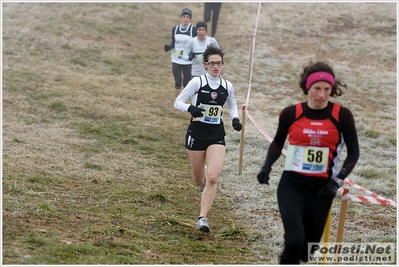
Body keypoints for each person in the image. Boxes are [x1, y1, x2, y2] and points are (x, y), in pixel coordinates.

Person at [256, 61, 360, 264]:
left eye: (327, 89)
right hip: (292, 185)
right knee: (295, 240)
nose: (322, 95)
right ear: (307, 88)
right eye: (317, 89)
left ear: (332, 89)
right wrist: (266, 166)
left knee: (306, 251)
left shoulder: (343, 116)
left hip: (323, 189)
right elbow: (278, 143)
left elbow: (354, 153)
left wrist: (338, 180)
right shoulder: (291, 113)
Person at [174, 45, 242, 232]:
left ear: (222, 64)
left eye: (219, 63)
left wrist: (235, 119)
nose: (216, 67)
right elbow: (177, 102)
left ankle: (202, 218)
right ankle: (203, 178)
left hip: (216, 134)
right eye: (212, 63)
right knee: (199, 180)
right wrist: (190, 108)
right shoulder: (197, 82)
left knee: (212, 178)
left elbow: (232, 104)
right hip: (197, 133)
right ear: (205, 65)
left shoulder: (227, 86)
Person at [164, 8, 197, 97]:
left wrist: (193, 54)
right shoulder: (175, 29)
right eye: (184, 16)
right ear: (181, 17)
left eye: (188, 17)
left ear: (190, 19)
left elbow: (195, 43)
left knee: (186, 82)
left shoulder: (193, 30)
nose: (185, 19)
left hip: (188, 60)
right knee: (178, 81)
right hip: (176, 59)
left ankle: (184, 99)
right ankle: (178, 100)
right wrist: (168, 47)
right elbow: (174, 43)